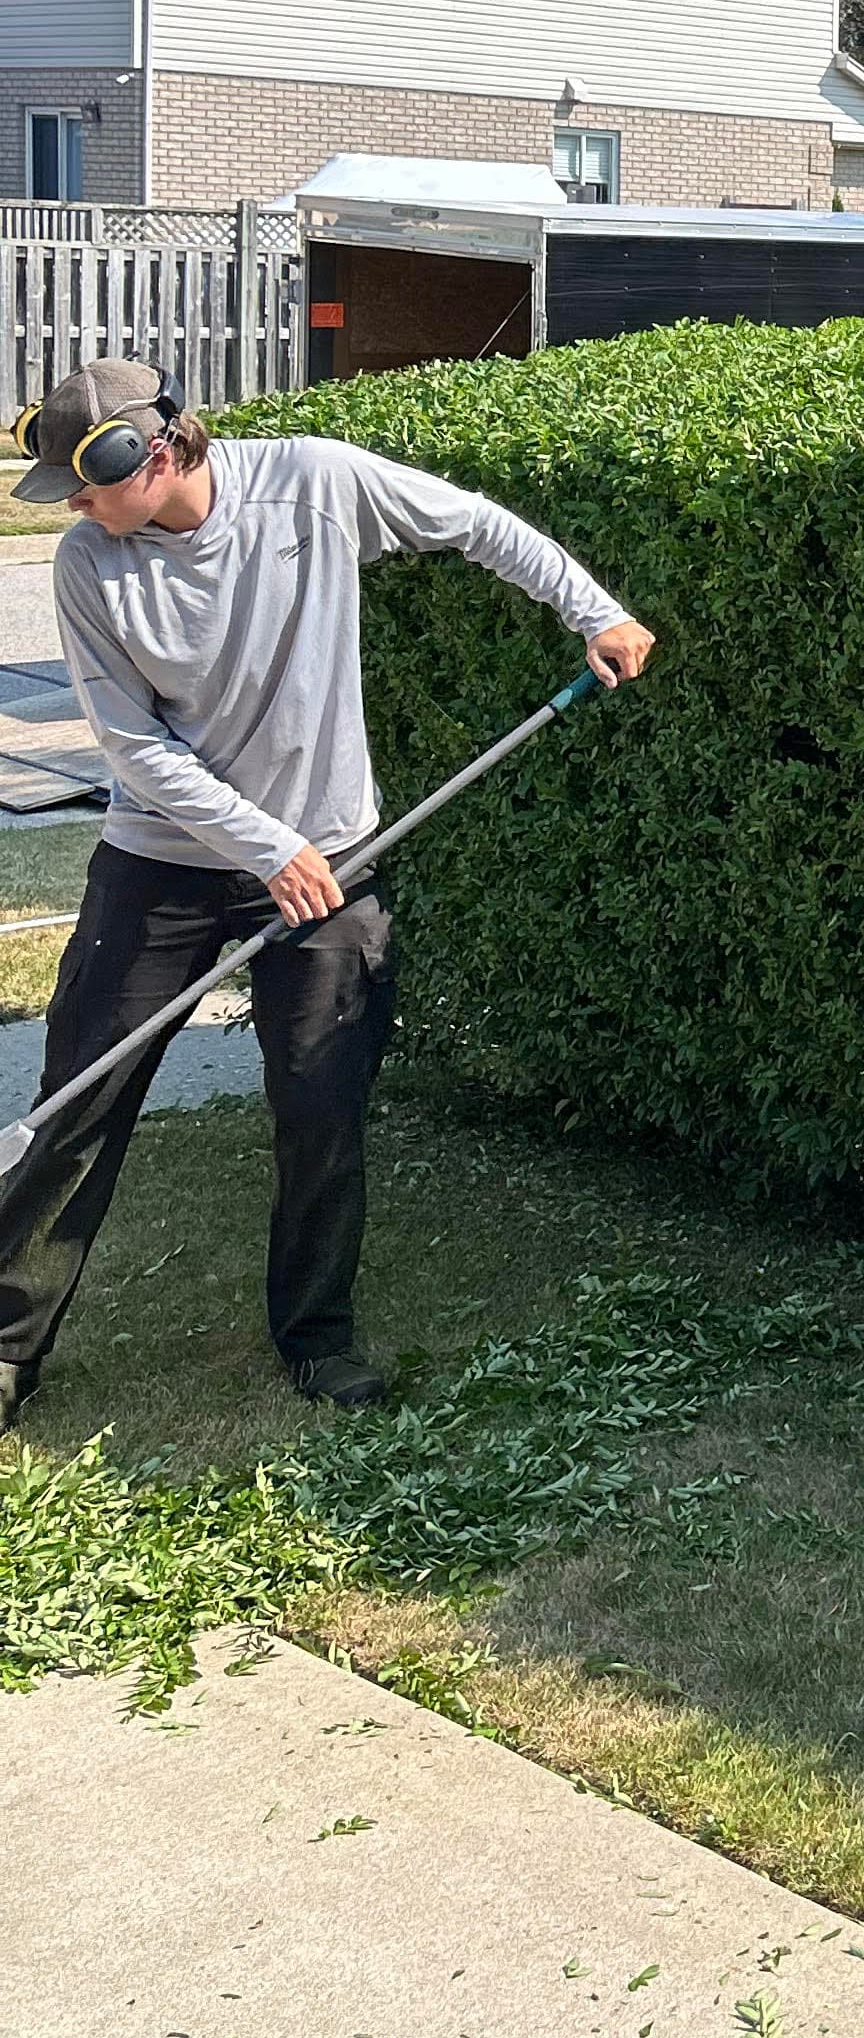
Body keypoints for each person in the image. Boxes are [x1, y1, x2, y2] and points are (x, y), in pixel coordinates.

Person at [0, 360, 653, 1430]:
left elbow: (479, 526)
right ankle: (5, 1349)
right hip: (162, 866)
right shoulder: (88, 566)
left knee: (321, 1107)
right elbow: (133, 746)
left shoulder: (313, 483)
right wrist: (263, 845)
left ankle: (316, 1336)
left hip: (331, 864)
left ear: (147, 455)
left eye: (81, 488)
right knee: (79, 1101)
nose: (72, 511)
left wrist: (599, 611)